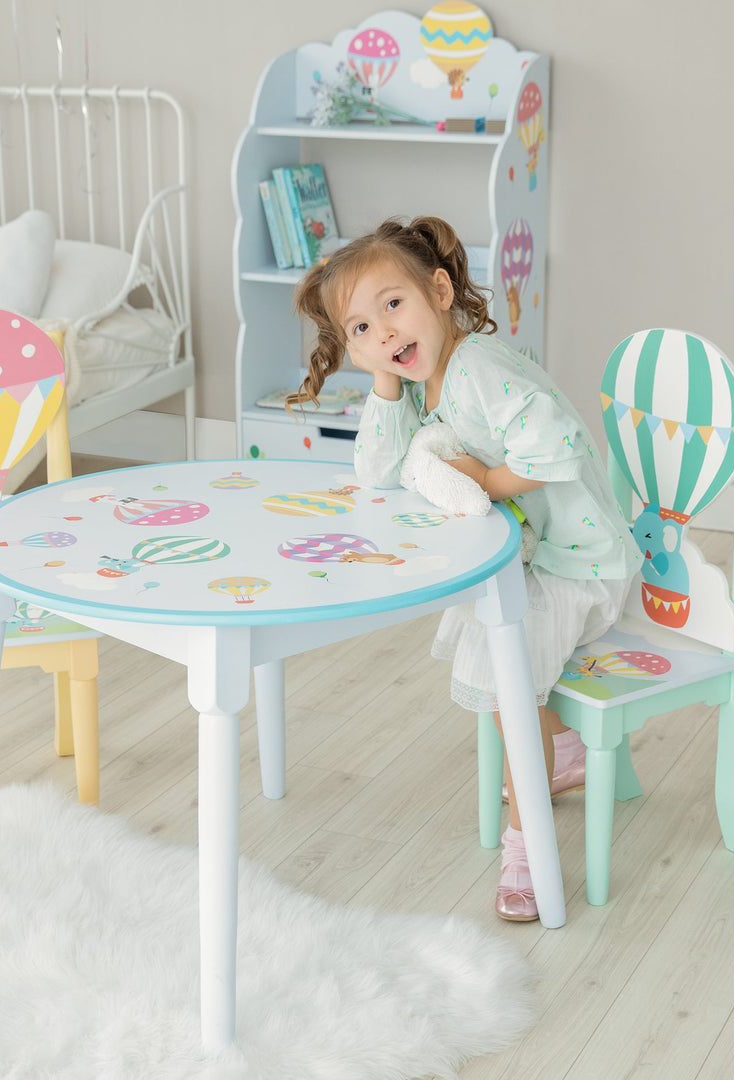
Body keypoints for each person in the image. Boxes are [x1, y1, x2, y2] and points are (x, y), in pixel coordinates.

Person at [291, 216, 642, 921]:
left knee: (502, 659)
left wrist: (483, 476)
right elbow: (379, 471)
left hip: (584, 563)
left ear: (441, 291)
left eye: (393, 306)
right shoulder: (421, 377)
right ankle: (561, 751)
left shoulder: (480, 369)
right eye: (360, 330)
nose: (384, 334)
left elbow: (557, 451)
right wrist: (386, 387)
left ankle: (527, 850)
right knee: (492, 632)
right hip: (540, 557)